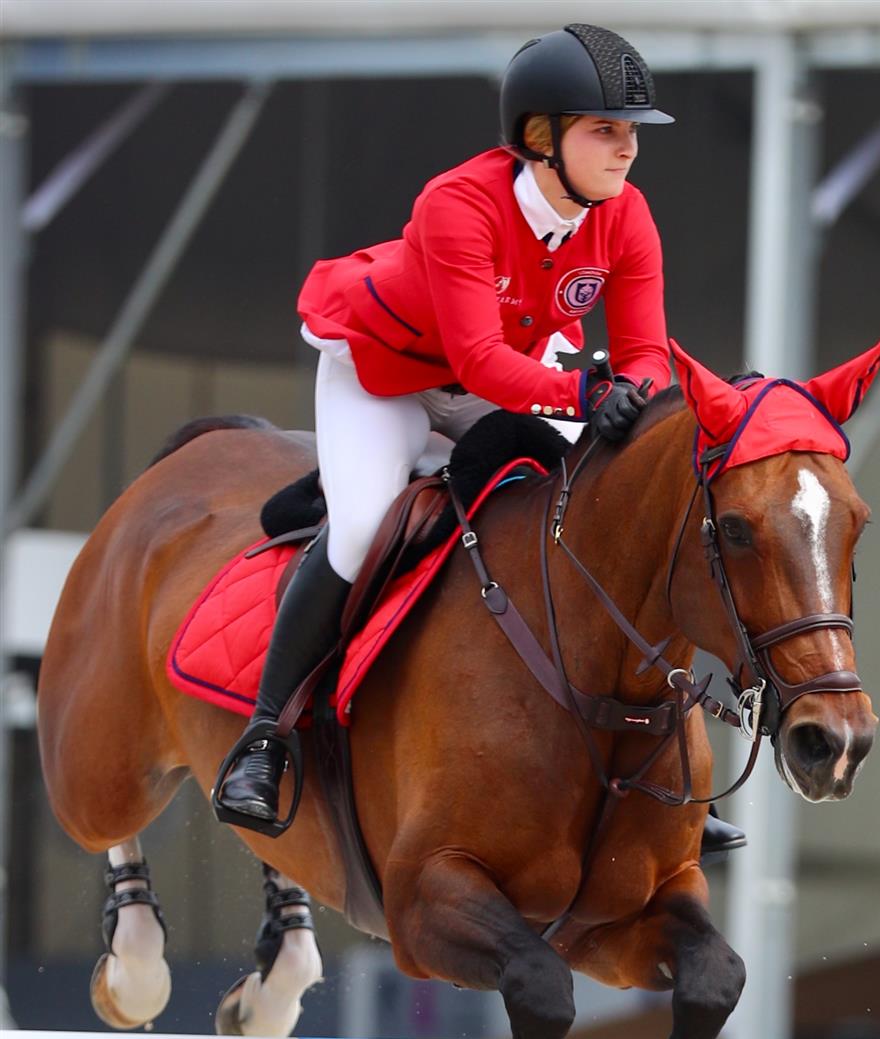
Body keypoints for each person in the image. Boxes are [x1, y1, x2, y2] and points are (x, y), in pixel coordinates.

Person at [216, 23, 744, 861]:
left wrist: (631, 395)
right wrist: (586, 390)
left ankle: (658, 765)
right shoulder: (457, 203)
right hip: (387, 377)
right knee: (361, 529)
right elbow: (477, 361)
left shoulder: (626, 216)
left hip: (521, 370)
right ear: (541, 139)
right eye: (606, 128)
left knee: (618, 498)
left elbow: (645, 346)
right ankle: (263, 739)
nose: (628, 148)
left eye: (632, 130)